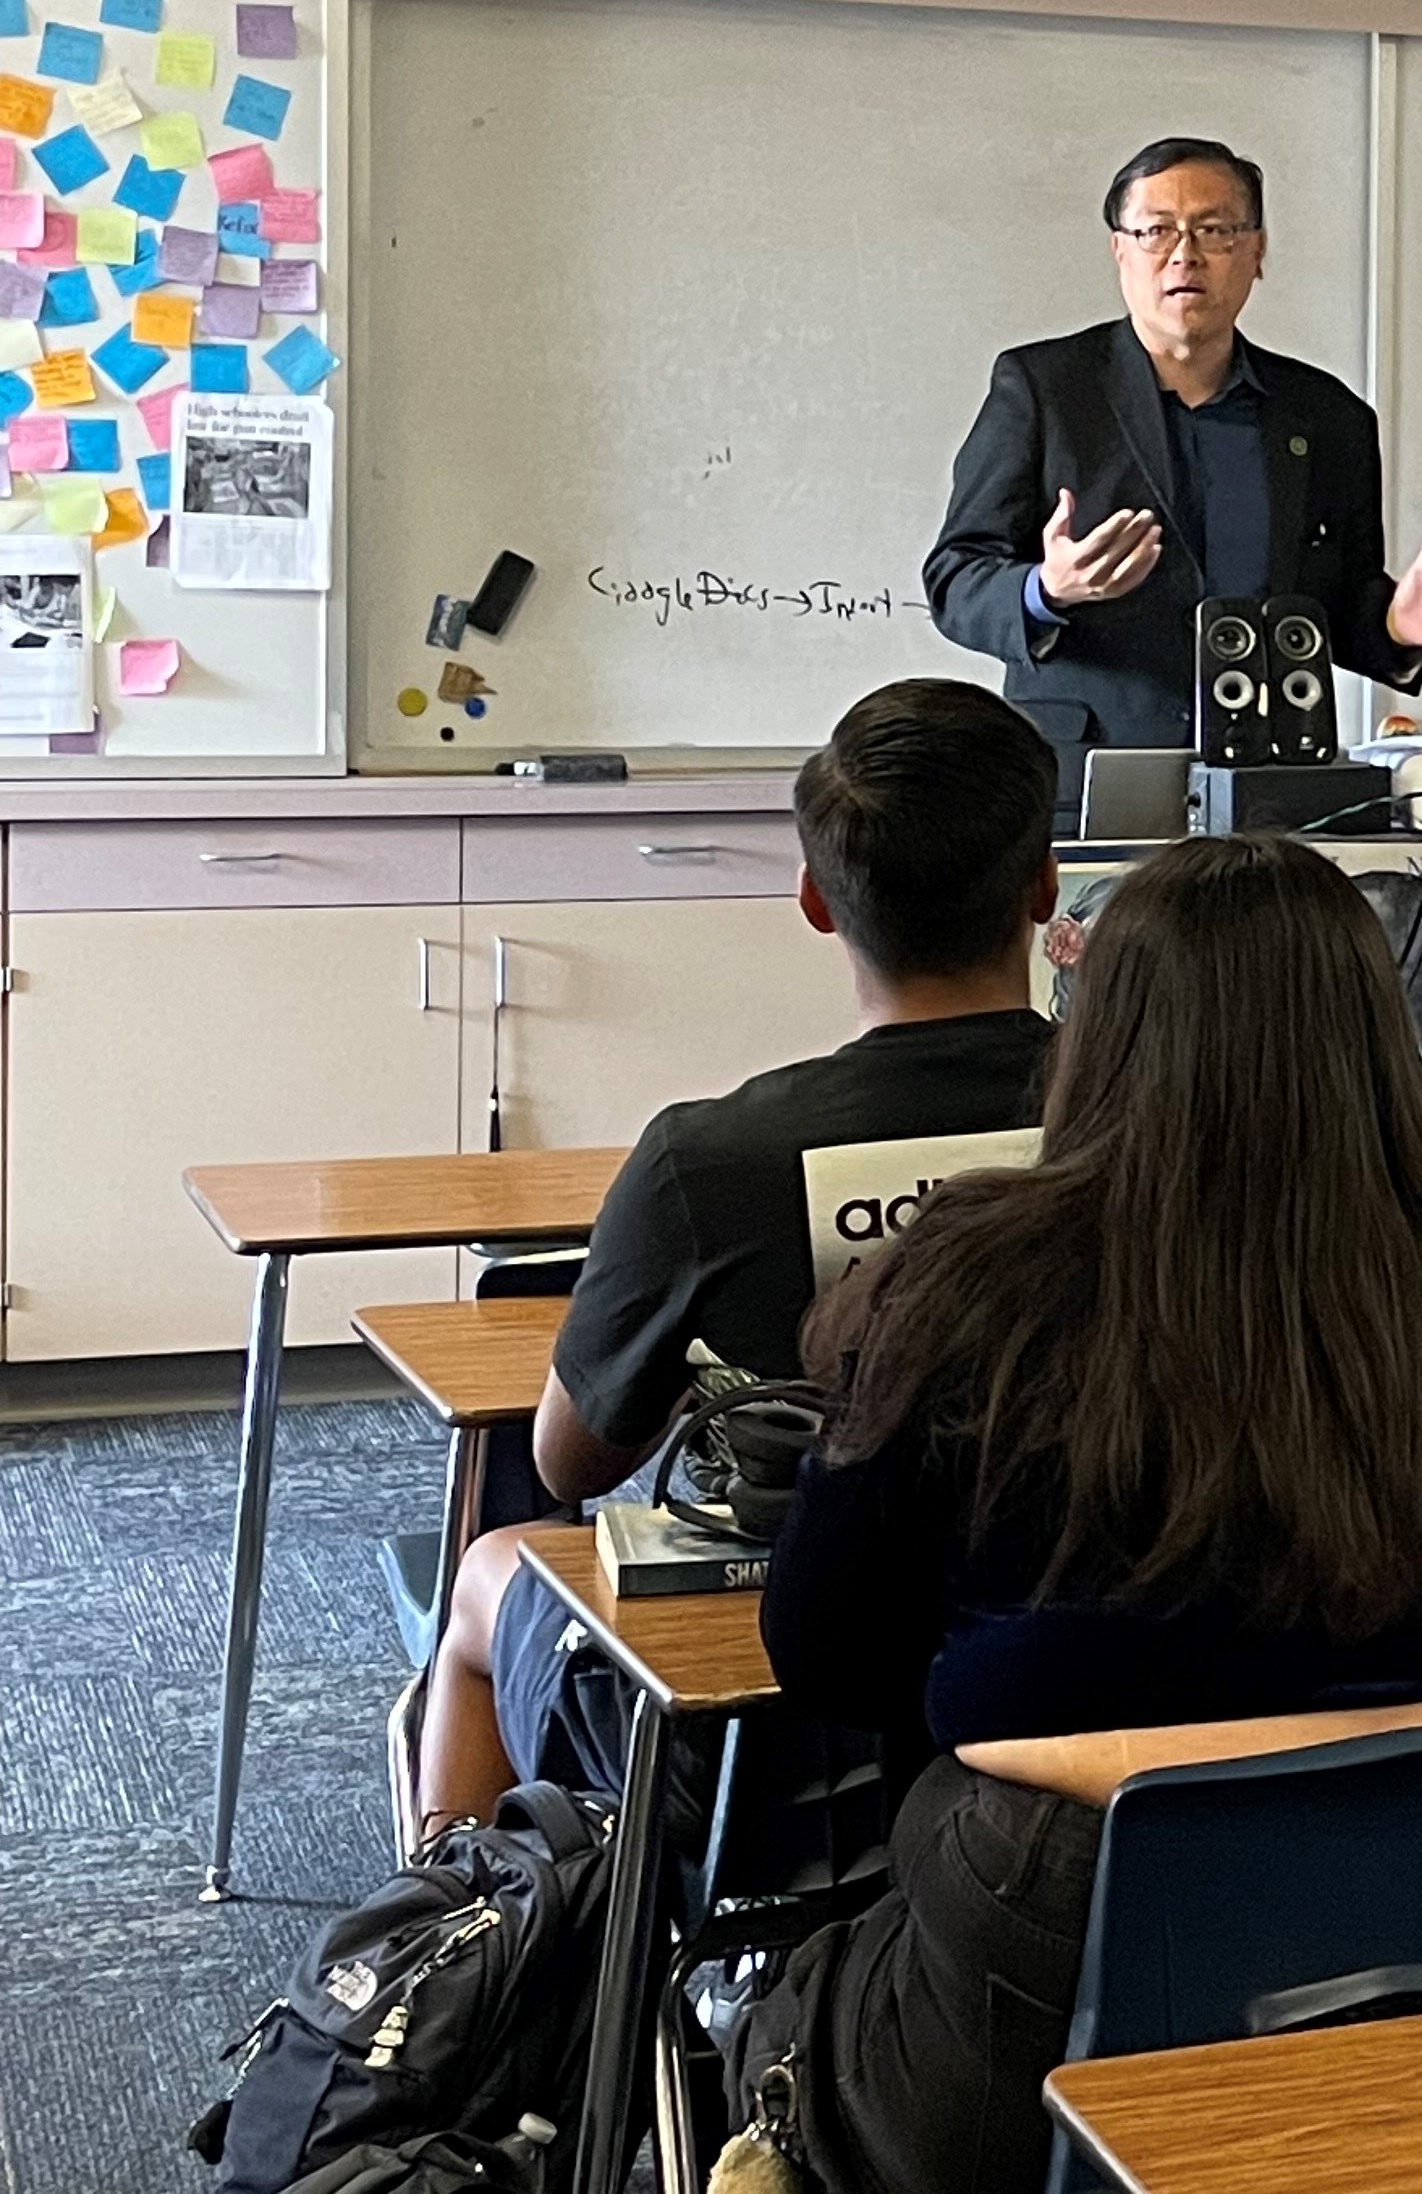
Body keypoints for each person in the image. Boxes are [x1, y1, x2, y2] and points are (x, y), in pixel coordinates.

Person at [733, 834, 1422, 2194]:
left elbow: (826, 1650)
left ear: (1097, 1033)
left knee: (758, 2025)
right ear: (1378, 1019)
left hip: (1046, 1989)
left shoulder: (973, 1284)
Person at [410, 680, 1063, 1831]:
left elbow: (572, 1465)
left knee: (486, 1573)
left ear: (816, 899)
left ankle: (462, 1961)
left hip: (772, 1744)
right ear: (1044, 886)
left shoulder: (707, 1162)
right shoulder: (1145, 1119)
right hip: (1075, 1673)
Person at [924, 136, 1422, 798]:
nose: (1184, 254)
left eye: (1215, 230)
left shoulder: (1327, 416)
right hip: (1087, 773)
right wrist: (1046, 589)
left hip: (1269, 776)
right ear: (1120, 251)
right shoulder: (1044, 389)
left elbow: (1331, 602)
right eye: (1157, 230)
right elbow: (956, 578)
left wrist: (1395, 625)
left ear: (1256, 252)